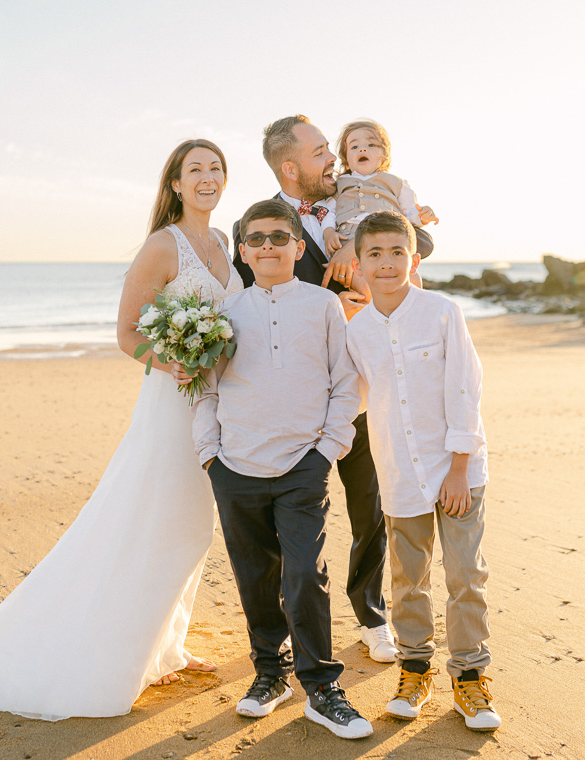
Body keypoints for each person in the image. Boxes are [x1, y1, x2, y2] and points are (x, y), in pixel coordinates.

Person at [0, 139, 242, 721]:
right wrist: (169, 360)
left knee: (194, 528)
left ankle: (167, 645)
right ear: (175, 184)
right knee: (158, 521)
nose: (207, 177)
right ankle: (116, 653)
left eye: (216, 168)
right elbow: (127, 334)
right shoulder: (163, 245)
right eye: (195, 169)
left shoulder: (224, 243)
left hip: (217, 407)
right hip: (171, 407)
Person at [195, 199, 372, 740]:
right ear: (242, 251)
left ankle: (321, 687)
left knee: (303, 575)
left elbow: (347, 382)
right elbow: (203, 387)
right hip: (235, 464)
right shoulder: (224, 312)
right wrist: (211, 455)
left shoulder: (323, 306)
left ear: (299, 247)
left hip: (303, 463)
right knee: (255, 577)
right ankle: (270, 675)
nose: (268, 246)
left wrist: (327, 450)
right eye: (256, 239)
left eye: (279, 236)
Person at [232, 115, 398, 663]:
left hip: (367, 388)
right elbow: (252, 304)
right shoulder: (260, 225)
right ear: (290, 166)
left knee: (369, 504)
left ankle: (373, 615)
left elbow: (412, 241)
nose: (333, 158)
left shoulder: (358, 196)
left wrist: (367, 300)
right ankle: (284, 631)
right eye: (321, 151)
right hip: (301, 403)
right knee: (294, 520)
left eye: (331, 148)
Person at [344, 211, 501, 732]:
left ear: (414, 259)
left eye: (396, 252)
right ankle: (414, 671)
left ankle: (470, 679)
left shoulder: (441, 311)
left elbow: (465, 387)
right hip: (398, 471)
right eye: (374, 254)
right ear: (359, 264)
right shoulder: (358, 331)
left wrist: (458, 467)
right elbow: (354, 398)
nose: (386, 263)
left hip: (457, 468)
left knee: (465, 575)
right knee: (408, 579)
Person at [324, 119, 438, 277]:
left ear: (384, 155)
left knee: (412, 277)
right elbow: (329, 211)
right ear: (347, 161)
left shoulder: (397, 183)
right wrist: (328, 231)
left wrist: (422, 217)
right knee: (357, 277)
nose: (362, 149)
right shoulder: (340, 185)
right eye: (354, 146)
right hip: (348, 239)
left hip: (388, 237)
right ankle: (367, 300)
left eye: (371, 145)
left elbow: (410, 214)